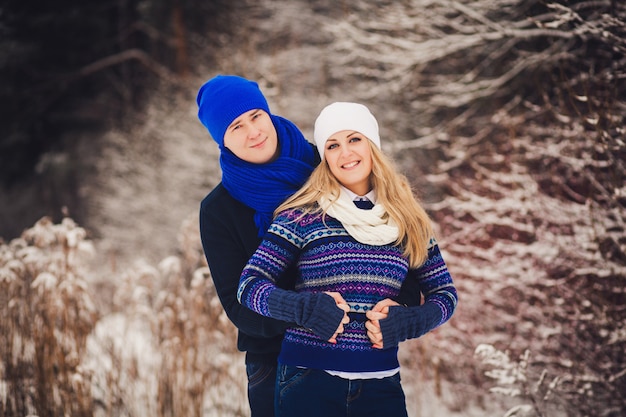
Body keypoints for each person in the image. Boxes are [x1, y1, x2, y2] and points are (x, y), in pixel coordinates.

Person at [196, 76, 423, 417]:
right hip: (274, 362)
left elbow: (392, 240)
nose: (253, 131)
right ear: (222, 141)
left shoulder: (329, 163)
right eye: (235, 127)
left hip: (357, 355)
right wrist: (304, 313)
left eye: (256, 116)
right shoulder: (219, 210)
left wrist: (399, 305)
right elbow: (237, 305)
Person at [237, 102, 458, 417]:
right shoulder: (303, 214)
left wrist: (411, 321)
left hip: (381, 385)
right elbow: (249, 286)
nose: (345, 152)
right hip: (307, 381)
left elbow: (445, 295)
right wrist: (304, 308)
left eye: (354, 139)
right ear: (325, 155)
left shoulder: (408, 219)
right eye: (333, 145)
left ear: (372, 145)